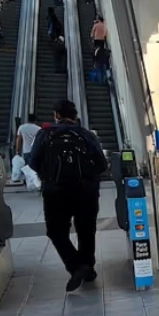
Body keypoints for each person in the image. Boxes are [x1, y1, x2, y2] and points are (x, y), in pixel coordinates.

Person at [28, 99, 108, 291]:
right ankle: (88, 268)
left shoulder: (44, 134)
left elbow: (33, 162)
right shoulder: (86, 135)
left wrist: (49, 176)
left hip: (55, 192)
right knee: (86, 231)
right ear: (76, 116)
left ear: (56, 115)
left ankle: (76, 265)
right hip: (86, 192)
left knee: (56, 232)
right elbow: (102, 165)